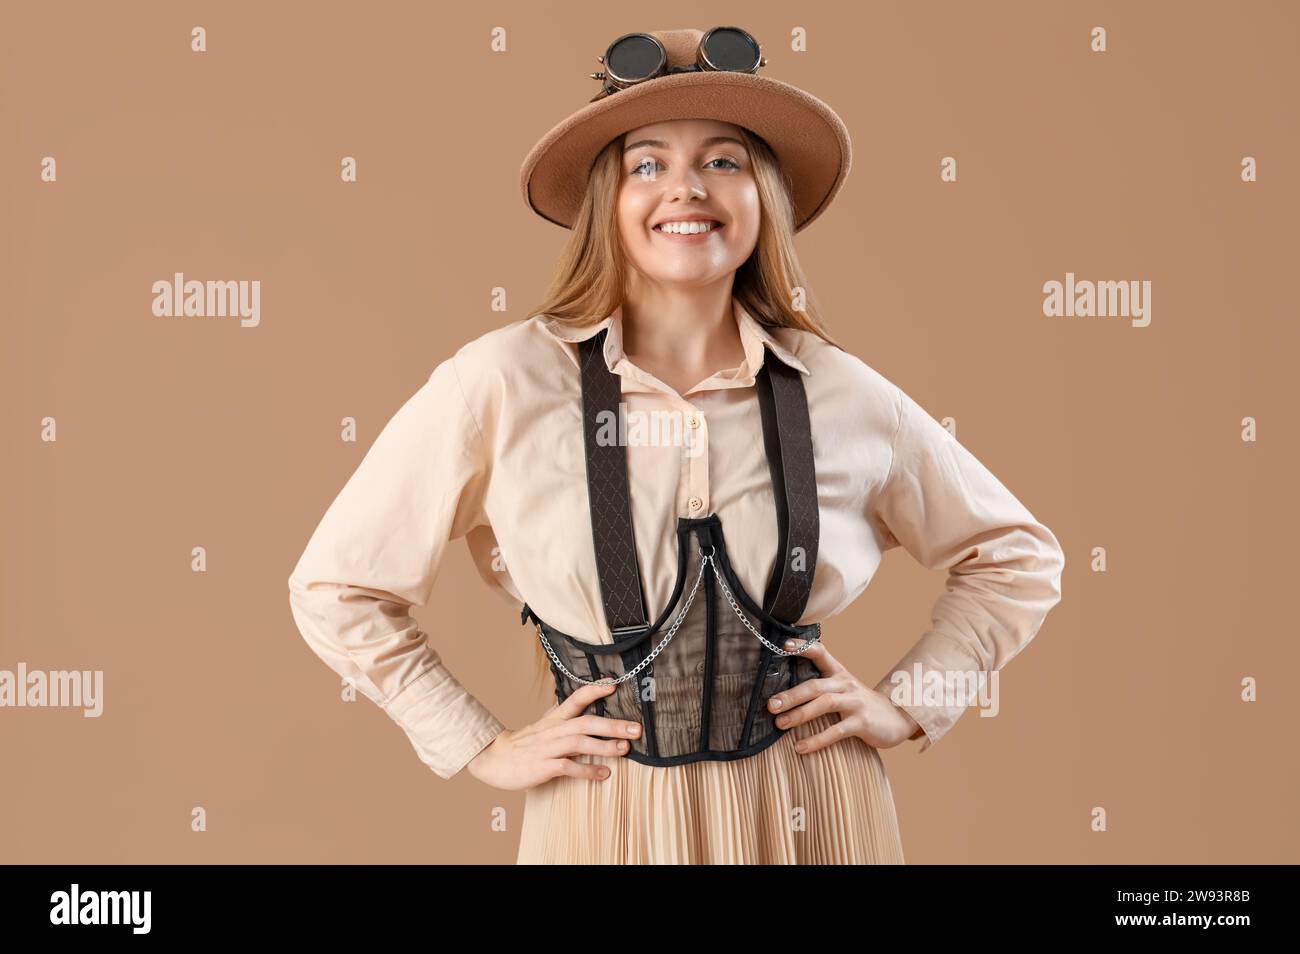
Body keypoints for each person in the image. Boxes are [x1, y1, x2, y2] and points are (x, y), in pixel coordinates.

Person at [287, 26, 1066, 864]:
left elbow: (1015, 556)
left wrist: (910, 704)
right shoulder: (502, 382)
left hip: (816, 814)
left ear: (761, 194)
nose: (686, 189)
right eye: (647, 164)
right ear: (607, 204)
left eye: (723, 161)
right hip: (603, 819)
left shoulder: (836, 389)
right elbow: (337, 587)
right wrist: (479, 744)